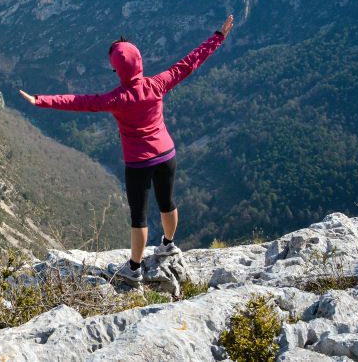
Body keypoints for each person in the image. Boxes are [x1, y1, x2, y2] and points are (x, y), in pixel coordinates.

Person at [18, 15, 234, 286]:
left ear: (118, 70)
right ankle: (168, 244)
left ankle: (133, 269)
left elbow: (78, 102)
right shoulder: (158, 83)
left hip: (139, 163)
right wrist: (218, 36)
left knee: (139, 217)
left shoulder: (116, 99)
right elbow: (190, 62)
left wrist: (40, 101)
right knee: (167, 202)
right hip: (167, 154)